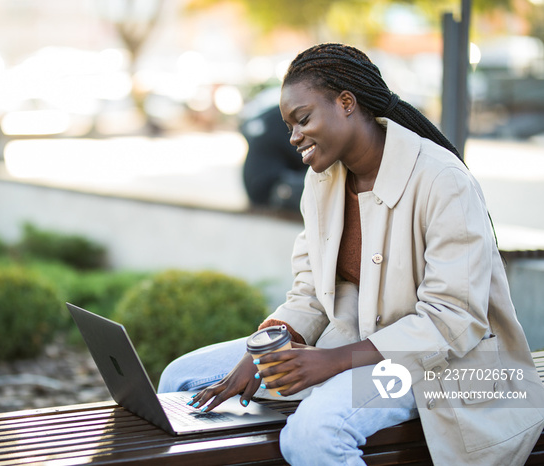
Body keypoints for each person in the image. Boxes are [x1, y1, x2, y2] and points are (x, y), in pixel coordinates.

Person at [158, 43, 544, 465]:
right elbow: (310, 291)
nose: (293, 138)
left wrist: (335, 361)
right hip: (352, 343)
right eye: (289, 125)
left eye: (303, 119)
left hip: (435, 368)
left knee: (314, 435)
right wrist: (262, 351)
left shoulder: (442, 180)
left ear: (346, 103)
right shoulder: (322, 180)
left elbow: (453, 319)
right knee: (181, 377)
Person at [240, 89, 308, 211]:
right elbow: (304, 156)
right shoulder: (288, 116)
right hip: (272, 189)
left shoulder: (273, 111)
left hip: (258, 186)